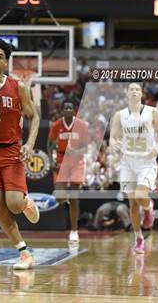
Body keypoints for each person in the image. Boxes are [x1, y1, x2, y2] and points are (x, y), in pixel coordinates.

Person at [0, 38, 40, 269]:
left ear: (6, 63)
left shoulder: (18, 87)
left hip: (11, 151)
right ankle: (24, 252)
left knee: (13, 204)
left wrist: (30, 143)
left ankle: (24, 202)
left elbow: (35, 117)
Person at [110, 82, 158, 254]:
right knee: (133, 204)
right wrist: (113, 142)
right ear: (126, 94)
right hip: (128, 162)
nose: (134, 92)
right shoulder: (119, 115)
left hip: (146, 161)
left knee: (141, 196)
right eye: (131, 90)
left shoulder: (152, 112)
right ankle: (138, 238)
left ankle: (149, 209)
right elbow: (113, 136)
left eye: (137, 89)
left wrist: (157, 148)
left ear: (141, 94)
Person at [48, 100, 89, 245]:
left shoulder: (82, 126)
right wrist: (51, 160)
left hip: (77, 162)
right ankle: (64, 196)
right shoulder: (56, 126)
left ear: (74, 110)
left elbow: (86, 148)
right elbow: (49, 144)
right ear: (62, 111)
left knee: (74, 197)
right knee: (59, 197)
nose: (68, 110)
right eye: (65, 107)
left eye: (70, 108)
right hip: (61, 161)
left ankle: (74, 230)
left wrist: (76, 151)